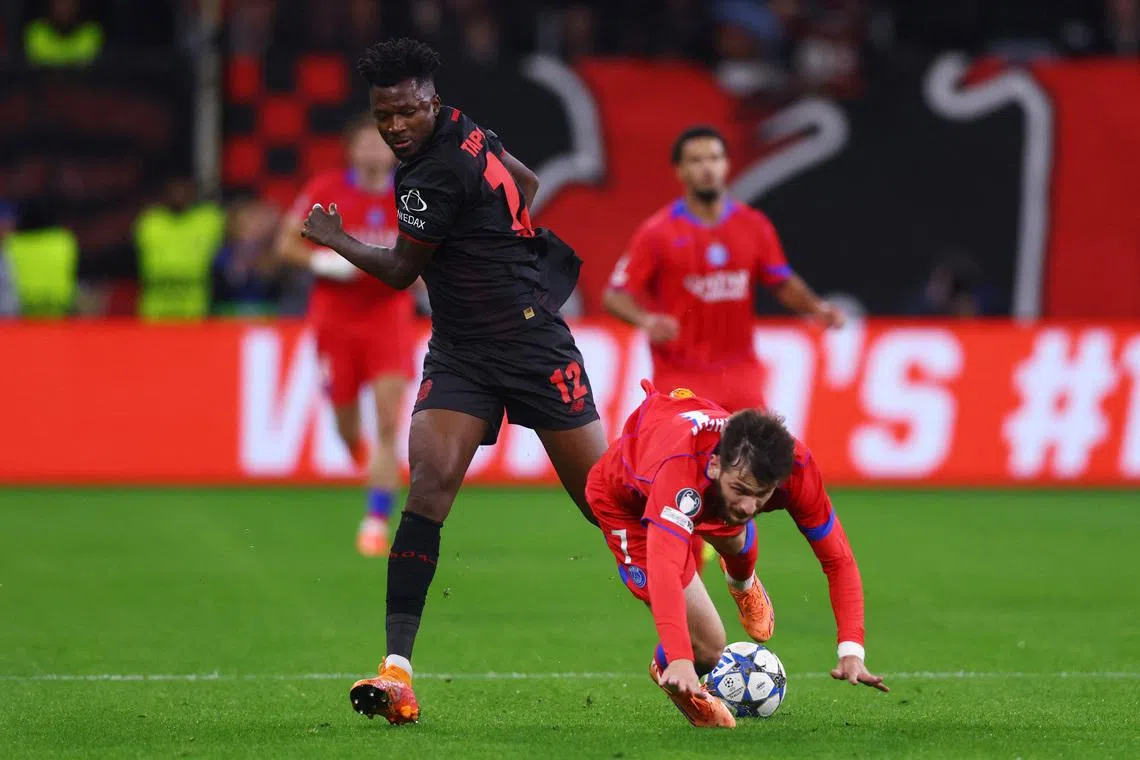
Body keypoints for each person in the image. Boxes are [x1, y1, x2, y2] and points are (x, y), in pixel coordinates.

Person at [299, 38, 609, 725]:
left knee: (604, 504)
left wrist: (336, 239)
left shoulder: (424, 177)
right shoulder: (468, 127)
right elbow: (524, 186)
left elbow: (402, 272)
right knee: (429, 487)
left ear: (429, 101)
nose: (395, 126)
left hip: (530, 345)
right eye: (384, 115)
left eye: (407, 112)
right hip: (464, 351)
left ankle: (719, 585)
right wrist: (501, 246)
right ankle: (397, 673)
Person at [603, 125, 845, 571]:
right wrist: (646, 320)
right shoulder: (658, 233)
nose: (707, 167)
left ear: (727, 165)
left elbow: (780, 279)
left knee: (754, 480)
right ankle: (692, 609)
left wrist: (815, 308)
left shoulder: (753, 226)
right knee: (680, 500)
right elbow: (615, 294)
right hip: (682, 385)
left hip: (740, 379)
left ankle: (743, 579)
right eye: (696, 160)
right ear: (680, 171)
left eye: (714, 158)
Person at [587, 380, 887, 727]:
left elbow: (838, 559)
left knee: (735, 531)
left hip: (706, 491)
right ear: (715, 465)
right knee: (709, 647)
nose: (748, 505)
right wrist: (682, 658)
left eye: (761, 495)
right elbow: (664, 566)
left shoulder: (795, 467)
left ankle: (742, 582)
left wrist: (851, 651)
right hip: (628, 503)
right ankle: (668, 670)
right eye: (741, 490)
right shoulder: (681, 471)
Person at [276, 116, 414, 556]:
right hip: (335, 320)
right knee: (346, 425)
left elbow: (430, 252)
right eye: (366, 144)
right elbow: (285, 244)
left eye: (382, 144)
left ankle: (375, 520)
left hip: (388, 316)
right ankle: (365, 457)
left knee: (391, 422)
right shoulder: (325, 190)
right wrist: (321, 263)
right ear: (351, 149)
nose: (375, 152)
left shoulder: (413, 195)